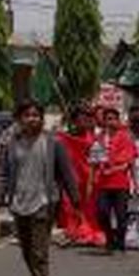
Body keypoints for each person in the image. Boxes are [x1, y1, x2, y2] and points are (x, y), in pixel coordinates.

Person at [0, 100, 80, 276]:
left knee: (40, 256)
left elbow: (67, 174)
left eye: (36, 115)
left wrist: (76, 202)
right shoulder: (12, 144)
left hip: (44, 204)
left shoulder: (53, 144)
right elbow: (3, 175)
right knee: (28, 256)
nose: (32, 118)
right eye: (27, 115)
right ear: (19, 119)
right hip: (19, 204)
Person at [55, 104, 105, 246]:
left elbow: (100, 161)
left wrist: (94, 178)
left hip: (90, 178)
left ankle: (89, 231)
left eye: (86, 118)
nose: (83, 122)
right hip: (71, 179)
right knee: (69, 206)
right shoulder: (63, 138)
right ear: (74, 120)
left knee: (89, 206)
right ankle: (72, 232)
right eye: (80, 119)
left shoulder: (96, 139)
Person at [96, 107, 138, 253]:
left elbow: (131, 162)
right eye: (108, 119)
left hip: (121, 183)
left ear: (118, 120)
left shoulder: (126, 137)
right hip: (103, 183)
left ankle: (120, 241)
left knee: (121, 216)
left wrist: (136, 183)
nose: (111, 122)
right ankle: (109, 237)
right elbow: (94, 161)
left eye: (113, 119)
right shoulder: (100, 138)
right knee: (102, 212)